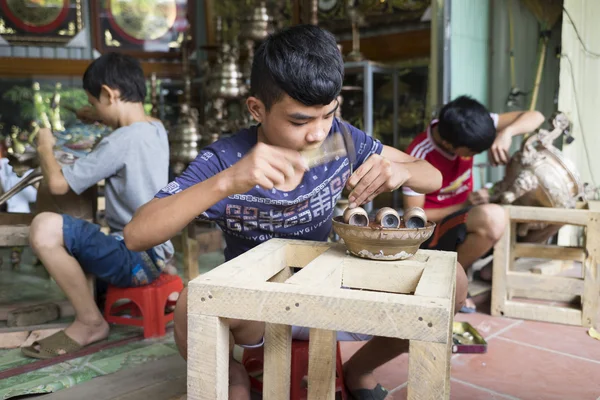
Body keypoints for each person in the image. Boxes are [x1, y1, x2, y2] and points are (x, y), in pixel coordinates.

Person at [124, 25, 466, 400]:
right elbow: (137, 235)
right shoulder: (227, 160)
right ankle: (231, 376)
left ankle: (361, 367)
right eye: (300, 121)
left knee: (454, 281)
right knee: (192, 303)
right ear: (257, 109)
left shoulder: (341, 140)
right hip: (259, 307)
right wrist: (226, 182)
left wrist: (401, 171)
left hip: (331, 289)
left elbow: (430, 176)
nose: (318, 133)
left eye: (328, 114)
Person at [22, 52, 174, 359]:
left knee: (44, 228)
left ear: (109, 93)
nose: (93, 110)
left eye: (94, 103)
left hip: (132, 258)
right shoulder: (156, 129)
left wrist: (44, 148)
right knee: (83, 233)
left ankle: (90, 321)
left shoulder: (118, 142)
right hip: (159, 252)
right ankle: (94, 304)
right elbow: (129, 122)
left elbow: (58, 185)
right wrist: (97, 113)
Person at [402, 96, 544, 312]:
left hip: (467, 215)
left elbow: (537, 116)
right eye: (472, 153)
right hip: (436, 232)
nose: (475, 157)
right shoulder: (419, 153)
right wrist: (463, 205)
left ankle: (489, 269)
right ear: (450, 145)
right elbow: (414, 218)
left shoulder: (471, 123)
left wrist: (506, 133)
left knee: (541, 209)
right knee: (493, 217)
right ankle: (455, 280)